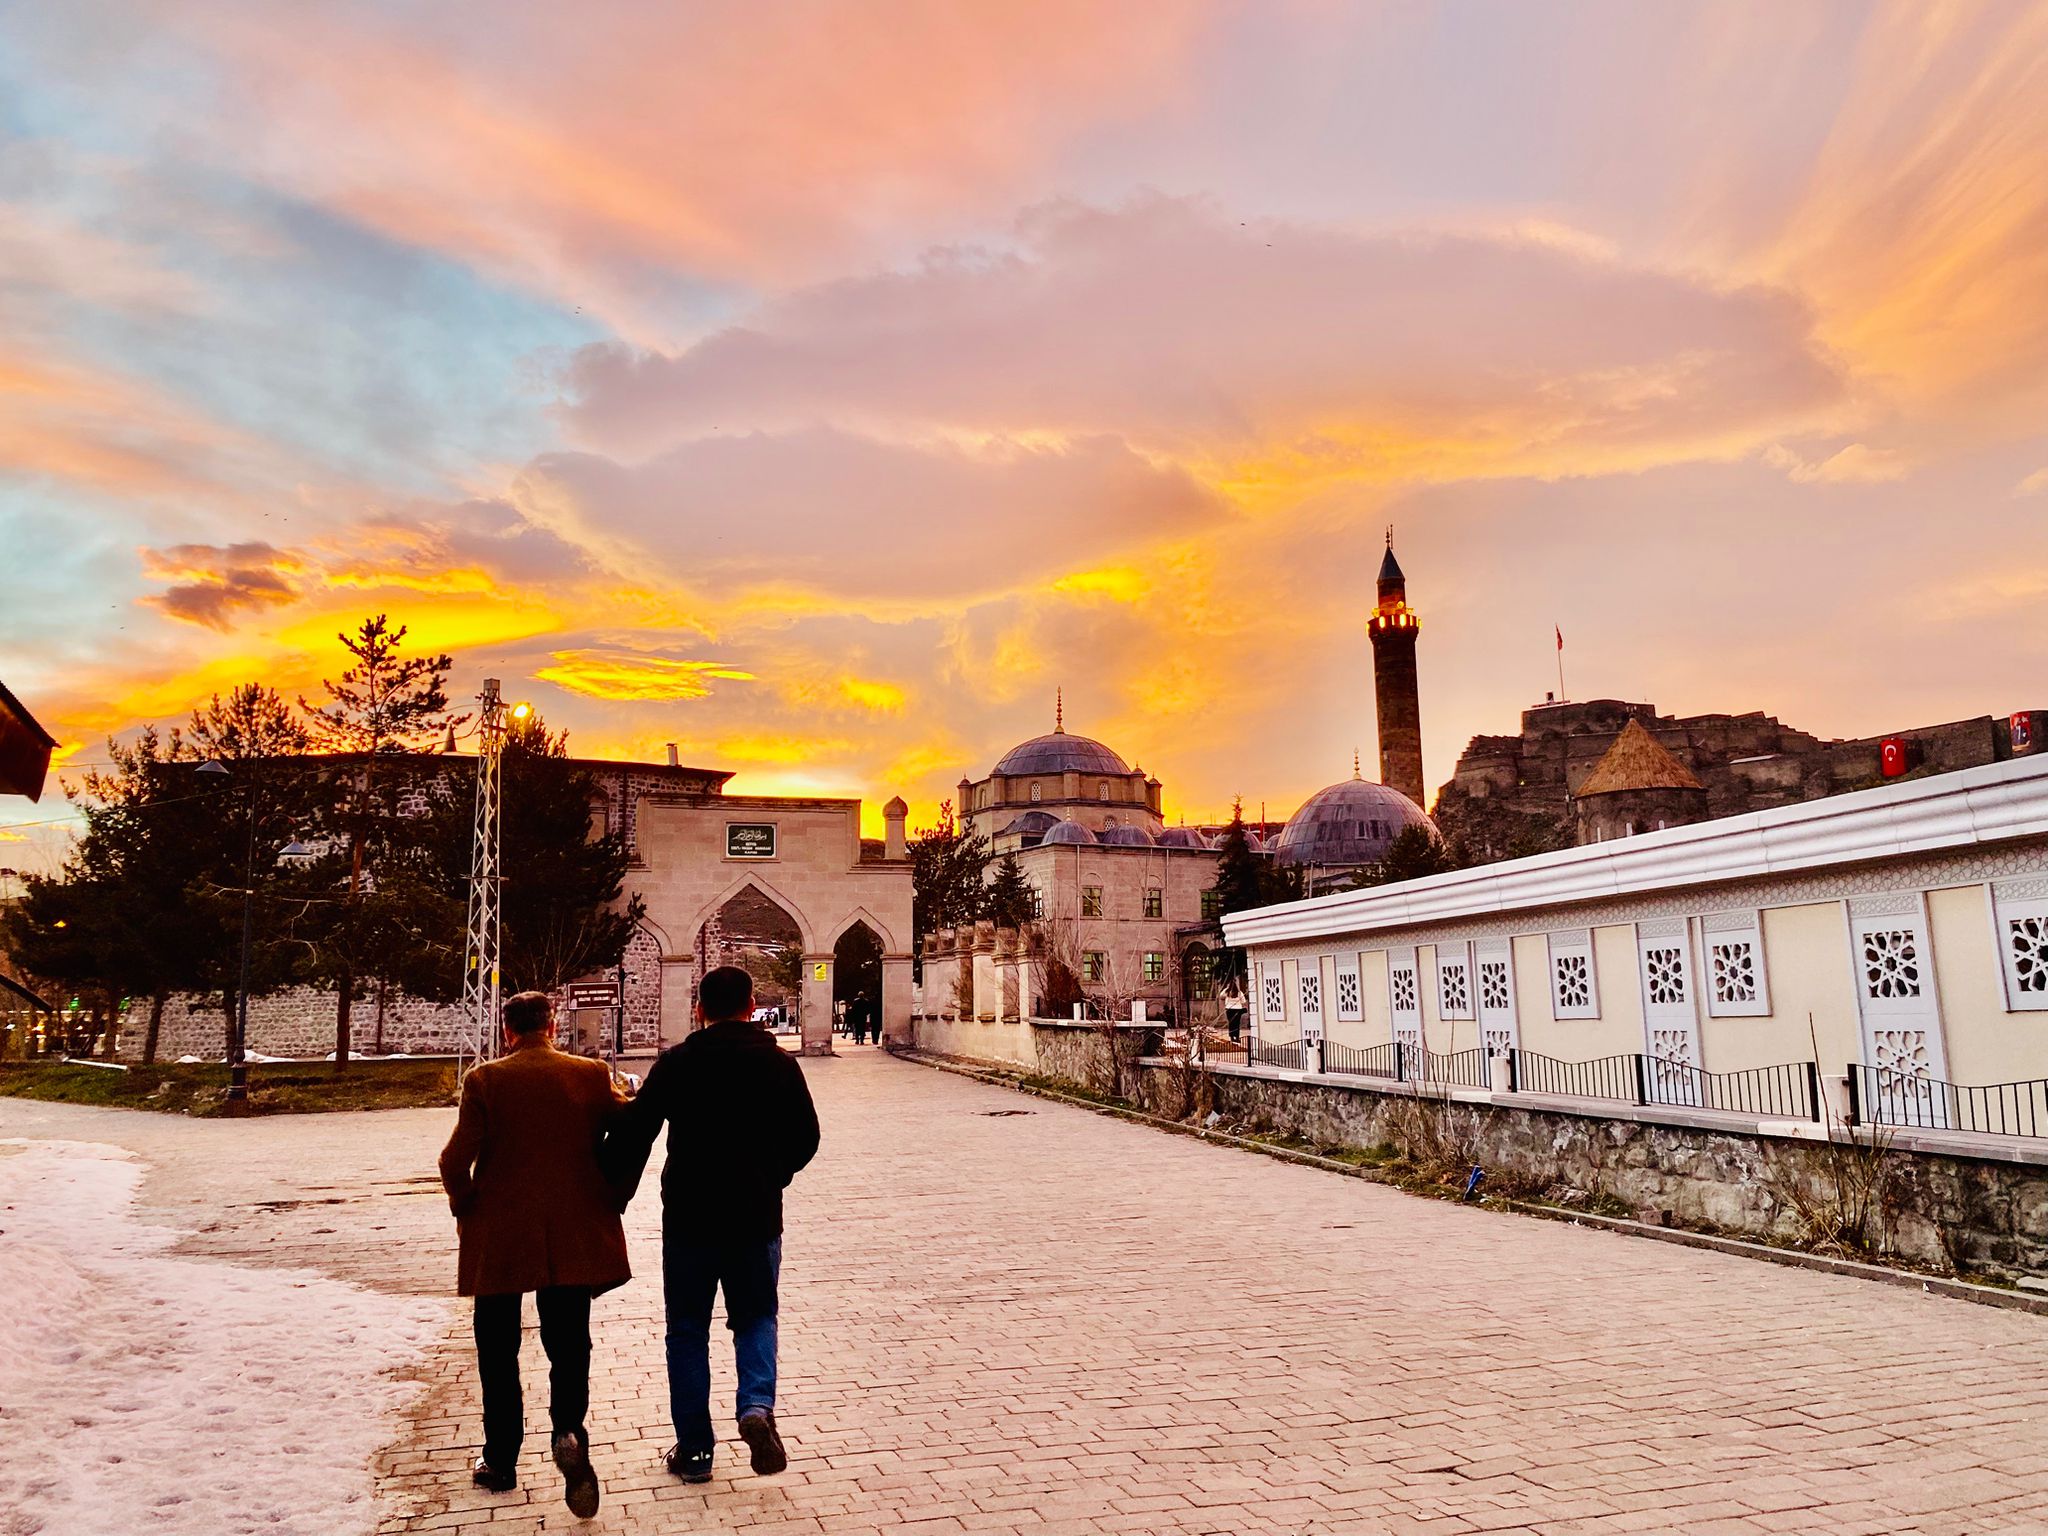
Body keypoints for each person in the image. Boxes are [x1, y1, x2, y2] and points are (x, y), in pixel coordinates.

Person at [606, 965, 820, 1484]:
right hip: (755, 1215)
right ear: (751, 1007)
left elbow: (638, 1132)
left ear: (698, 1008)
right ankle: (755, 1407)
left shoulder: (678, 1062)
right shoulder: (777, 1063)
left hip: (690, 1219)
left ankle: (696, 1450)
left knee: (686, 1332)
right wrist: (774, 1175)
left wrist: (608, 1193)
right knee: (755, 1317)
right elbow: (806, 1137)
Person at [438, 991, 628, 1519]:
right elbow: (627, 1122)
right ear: (552, 1024)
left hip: (500, 1238)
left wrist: (466, 1205)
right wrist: (613, 1189)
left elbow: (454, 1160)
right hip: (570, 1233)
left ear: (507, 1030)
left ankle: (500, 1460)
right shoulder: (589, 1074)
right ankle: (568, 1431)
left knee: (497, 1351)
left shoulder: (485, 1080)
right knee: (569, 1344)